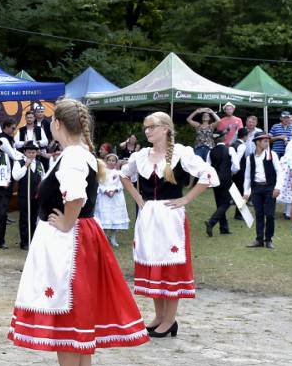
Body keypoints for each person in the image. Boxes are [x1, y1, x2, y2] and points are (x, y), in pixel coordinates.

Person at [9, 99, 147, 366]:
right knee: (78, 313)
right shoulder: (81, 154)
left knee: (66, 314)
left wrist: (67, 221)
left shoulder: (72, 156)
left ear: (57, 124)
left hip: (67, 241)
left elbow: (76, 194)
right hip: (79, 238)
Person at [120, 111, 218, 338]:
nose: (148, 131)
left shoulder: (182, 153)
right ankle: (159, 316)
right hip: (148, 216)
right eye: (146, 127)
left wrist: (186, 199)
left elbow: (208, 175)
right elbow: (124, 175)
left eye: (152, 127)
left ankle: (170, 319)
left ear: (165, 128)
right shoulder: (142, 155)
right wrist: (138, 200)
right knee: (154, 262)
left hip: (170, 216)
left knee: (170, 265)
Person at [242, 132, 282, 248]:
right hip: (256, 188)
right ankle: (259, 240)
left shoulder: (272, 154)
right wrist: (246, 191)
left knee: (269, 215)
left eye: (268, 140)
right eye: (265, 141)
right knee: (259, 214)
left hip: (270, 187)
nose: (267, 142)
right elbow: (247, 176)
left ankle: (268, 239)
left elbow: (279, 171)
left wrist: (277, 187)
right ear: (257, 142)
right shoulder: (250, 158)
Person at [204, 130, 238, 236]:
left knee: (220, 203)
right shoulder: (230, 149)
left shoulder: (211, 151)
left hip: (215, 180)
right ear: (223, 138)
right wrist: (230, 173)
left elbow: (207, 167)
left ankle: (224, 228)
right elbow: (236, 167)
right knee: (227, 202)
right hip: (226, 178)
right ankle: (211, 222)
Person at [12, 143, 46, 250]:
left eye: (33, 152)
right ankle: (24, 241)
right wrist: (26, 166)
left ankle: (33, 240)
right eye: (29, 152)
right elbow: (16, 176)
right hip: (24, 196)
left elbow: (43, 179)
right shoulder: (19, 163)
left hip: (36, 196)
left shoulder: (40, 164)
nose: (31, 154)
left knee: (34, 218)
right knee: (24, 219)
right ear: (25, 152)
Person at [95, 153, 129, 246]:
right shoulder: (102, 172)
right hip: (104, 196)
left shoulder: (119, 173)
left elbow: (121, 184)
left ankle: (113, 237)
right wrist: (106, 191)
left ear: (116, 162)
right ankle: (104, 236)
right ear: (106, 161)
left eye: (113, 161)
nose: (111, 162)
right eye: (109, 160)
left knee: (115, 217)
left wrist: (115, 190)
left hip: (116, 197)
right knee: (105, 217)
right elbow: (100, 183)